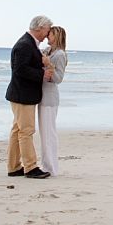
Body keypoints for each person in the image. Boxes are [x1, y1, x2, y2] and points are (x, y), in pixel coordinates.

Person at [5, 15, 54, 179]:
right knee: (26, 131)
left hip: (20, 94)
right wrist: (43, 74)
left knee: (18, 130)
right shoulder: (25, 44)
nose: (48, 34)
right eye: (47, 30)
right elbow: (20, 69)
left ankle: (13, 167)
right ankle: (30, 167)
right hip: (22, 95)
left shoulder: (28, 43)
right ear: (40, 28)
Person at [38, 25, 68, 177]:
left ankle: (51, 168)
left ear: (57, 36)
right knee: (44, 134)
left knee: (49, 133)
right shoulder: (48, 51)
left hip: (49, 98)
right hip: (42, 96)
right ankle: (46, 165)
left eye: (50, 34)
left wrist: (48, 66)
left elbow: (58, 78)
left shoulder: (60, 54)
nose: (47, 36)